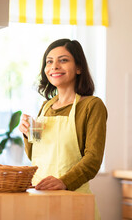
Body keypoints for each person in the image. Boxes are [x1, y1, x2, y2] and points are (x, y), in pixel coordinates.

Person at [18, 38, 107, 220]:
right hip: (40, 197)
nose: (54, 66)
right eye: (49, 61)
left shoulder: (92, 105)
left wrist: (64, 182)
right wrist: (27, 135)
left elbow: (93, 159)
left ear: (79, 67)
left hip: (73, 199)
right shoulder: (45, 107)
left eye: (63, 60)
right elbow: (36, 156)